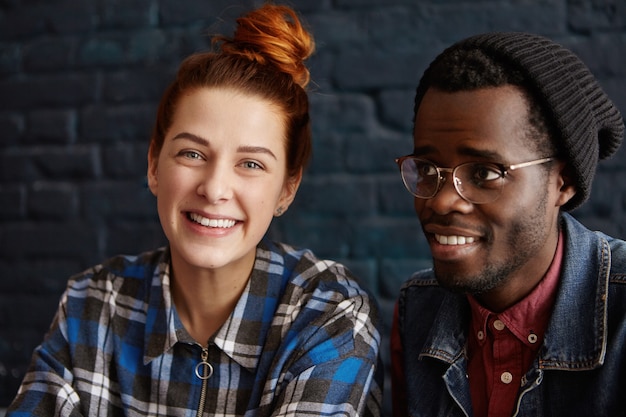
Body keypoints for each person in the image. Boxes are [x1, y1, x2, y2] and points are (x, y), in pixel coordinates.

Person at [7, 3, 382, 416]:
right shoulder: (93, 303)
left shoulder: (326, 313)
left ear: (287, 189)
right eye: (192, 153)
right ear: (154, 165)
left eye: (251, 164)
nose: (215, 188)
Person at [390, 31, 626, 417]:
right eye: (428, 169)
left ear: (561, 183)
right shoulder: (418, 309)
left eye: (484, 173)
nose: (442, 200)